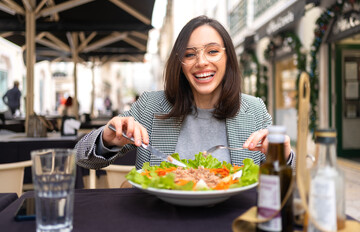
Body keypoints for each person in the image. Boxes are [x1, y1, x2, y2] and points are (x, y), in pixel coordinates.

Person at [76, 16, 295, 170]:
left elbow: (289, 177)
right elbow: (81, 158)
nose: (202, 62)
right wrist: (107, 139)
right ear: (180, 63)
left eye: (212, 51)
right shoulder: (150, 105)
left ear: (227, 59)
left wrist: (283, 156)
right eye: (190, 54)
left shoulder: (254, 110)